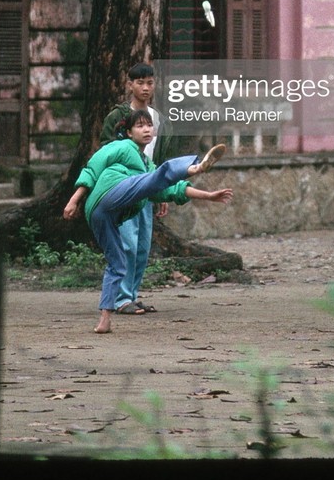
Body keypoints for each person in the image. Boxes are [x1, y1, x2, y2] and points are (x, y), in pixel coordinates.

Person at [63, 110, 232, 335]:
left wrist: (209, 195)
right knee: (151, 179)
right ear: (128, 132)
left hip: (104, 217)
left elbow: (171, 189)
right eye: (140, 126)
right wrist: (73, 201)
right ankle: (195, 167)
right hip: (109, 192)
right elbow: (92, 169)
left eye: (149, 126)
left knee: (117, 264)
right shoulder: (120, 147)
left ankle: (105, 319)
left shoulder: (147, 166)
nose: (146, 130)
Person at [99, 63, 169, 315]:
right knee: (126, 243)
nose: (145, 87)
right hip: (124, 188)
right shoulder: (117, 117)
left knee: (142, 246)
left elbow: (157, 159)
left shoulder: (157, 118)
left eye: (150, 82)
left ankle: (131, 294)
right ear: (130, 85)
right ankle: (119, 299)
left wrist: (162, 191)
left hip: (147, 188)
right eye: (140, 82)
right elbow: (105, 153)